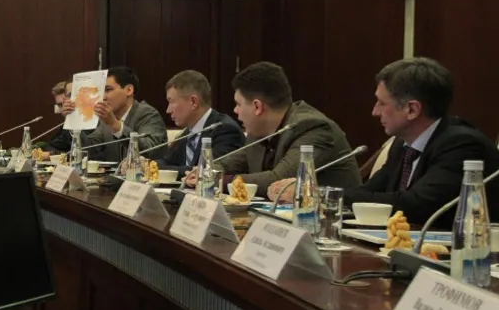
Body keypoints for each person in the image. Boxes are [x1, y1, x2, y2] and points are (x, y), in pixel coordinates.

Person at [272, 58, 499, 224]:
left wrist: (317, 194)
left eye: (381, 103)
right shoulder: (403, 144)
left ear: (412, 109)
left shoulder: (462, 146)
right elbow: (368, 193)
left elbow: (415, 205)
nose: (374, 111)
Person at [195, 61, 360, 192]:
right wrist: (204, 172)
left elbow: (279, 180)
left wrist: (218, 180)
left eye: (238, 104)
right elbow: (226, 165)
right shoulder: (259, 131)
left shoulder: (313, 128)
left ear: (257, 107)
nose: (235, 111)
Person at [49, 66, 167, 163]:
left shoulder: (148, 114)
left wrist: (115, 126)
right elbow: (89, 150)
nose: (103, 97)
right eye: (101, 91)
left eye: (108, 90)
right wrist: (73, 119)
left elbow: (150, 151)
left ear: (129, 90)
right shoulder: (107, 119)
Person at [158, 70, 244, 169]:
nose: (168, 110)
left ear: (193, 102)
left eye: (171, 102)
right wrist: (147, 165)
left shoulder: (225, 130)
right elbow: (167, 162)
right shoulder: (188, 132)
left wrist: (158, 169)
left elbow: (206, 170)